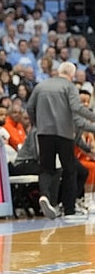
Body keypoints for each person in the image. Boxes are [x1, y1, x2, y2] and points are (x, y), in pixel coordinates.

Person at [27, 61, 95, 220]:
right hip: (64, 134)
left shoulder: (41, 86)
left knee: (46, 169)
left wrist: (38, 124)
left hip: (44, 133)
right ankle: (69, 209)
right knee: (70, 170)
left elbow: (30, 107)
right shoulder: (69, 87)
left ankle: (44, 196)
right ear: (71, 74)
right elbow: (76, 109)